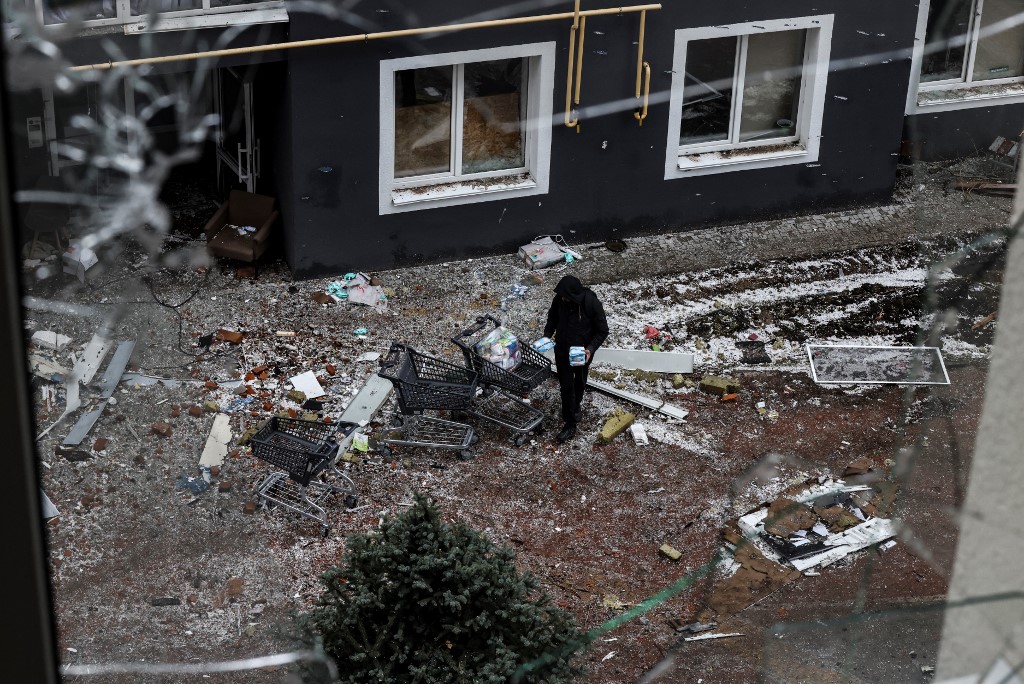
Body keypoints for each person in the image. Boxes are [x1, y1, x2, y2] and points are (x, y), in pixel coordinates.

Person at [543, 275, 609, 443]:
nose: (563, 298)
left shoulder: (591, 303)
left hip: (581, 353)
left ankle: (576, 404)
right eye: (561, 295)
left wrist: (590, 349)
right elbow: (552, 318)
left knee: (579, 382)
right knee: (566, 386)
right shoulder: (559, 300)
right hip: (563, 350)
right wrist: (546, 336)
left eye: (566, 296)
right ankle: (570, 423)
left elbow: (602, 331)